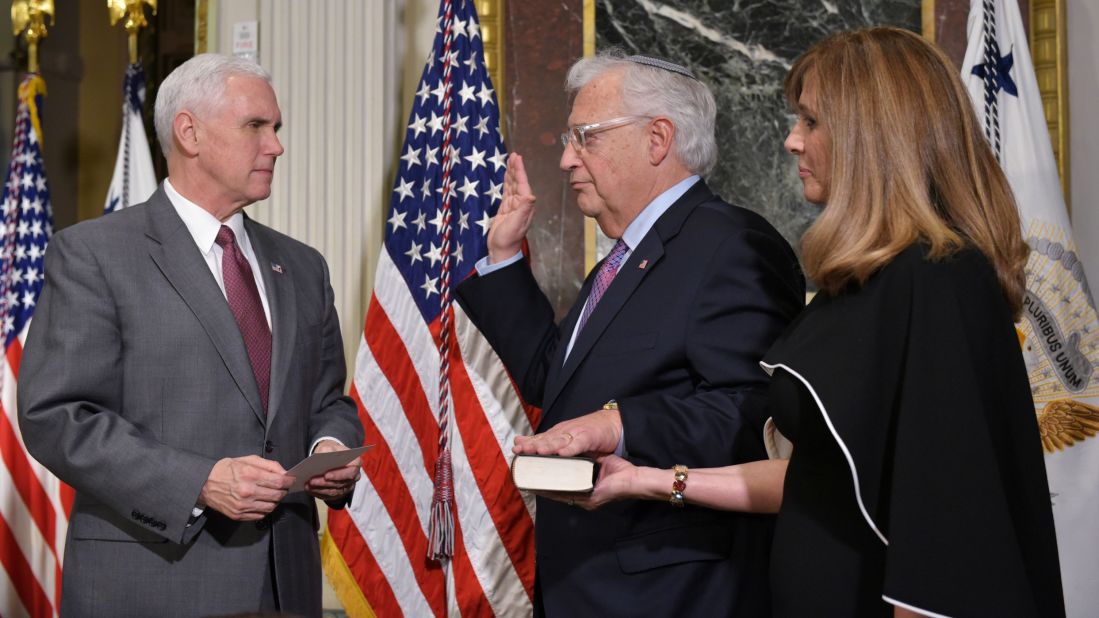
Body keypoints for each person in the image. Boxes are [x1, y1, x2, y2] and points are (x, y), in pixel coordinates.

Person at [586, 27, 1066, 617]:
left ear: (874, 136)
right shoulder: (871, 280)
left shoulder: (937, 278)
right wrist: (651, 481)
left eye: (810, 121)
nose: (791, 141)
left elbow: (947, 539)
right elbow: (816, 479)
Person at [454, 52, 805, 616]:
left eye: (585, 137)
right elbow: (556, 381)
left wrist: (617, 426)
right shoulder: (623, 258)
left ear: (658, 138)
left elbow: (751, 412)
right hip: (587, 583)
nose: (567, 158)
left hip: (671, 593)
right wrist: (501, 258)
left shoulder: (732, 246)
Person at [18, 54, 364, 616]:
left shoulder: (302, 266)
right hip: (153, 582)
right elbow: (58, 416)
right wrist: (199, 481)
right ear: (189, 132)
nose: (276, 145)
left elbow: (327, 399)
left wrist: (329, 448)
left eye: (277, 129)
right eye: (257, 126)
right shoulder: (94, 255)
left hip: (287, 583)